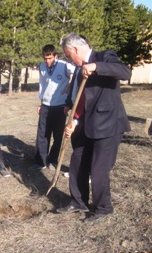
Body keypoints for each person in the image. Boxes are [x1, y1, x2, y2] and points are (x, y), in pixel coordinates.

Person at [56, 33, 131, 223]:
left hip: (107, 125)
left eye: (67, 55)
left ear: (75, 49)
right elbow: (77, 96)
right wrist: (70, 113)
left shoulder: (104, 57)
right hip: (84, 125)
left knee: (98, 169)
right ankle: (78, 201)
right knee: (77, 163)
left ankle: (103, 208)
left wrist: (95, 67)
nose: (68, 59)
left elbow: (125, 72)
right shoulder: (78, 69)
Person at [29, 44, 75, 171]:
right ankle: (41, 161)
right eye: (45, 58)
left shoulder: (64, 65)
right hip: (46, 105)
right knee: (42, 134)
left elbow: (78, 71)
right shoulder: (42, 66)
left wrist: (71, 86)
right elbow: (42, 85)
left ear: (55, 56)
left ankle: (53, 160)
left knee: (58, 135)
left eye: (50, 58)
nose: (47, 61)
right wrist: (41, 102)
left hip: (60, 106)